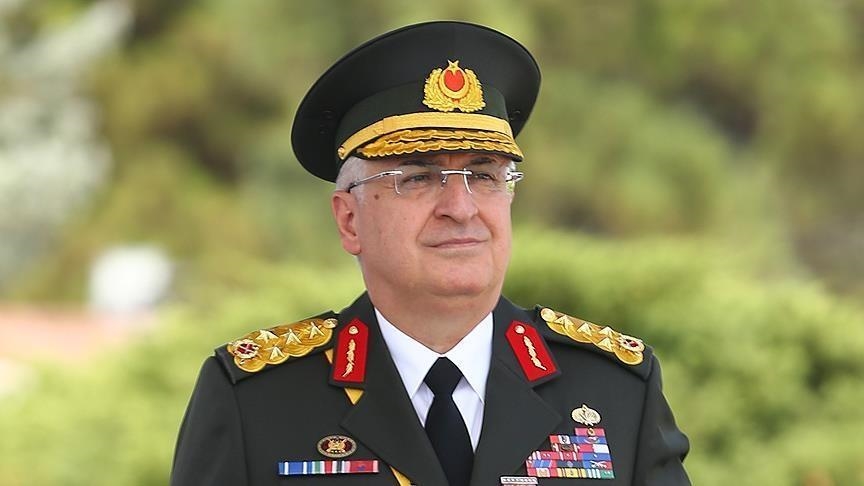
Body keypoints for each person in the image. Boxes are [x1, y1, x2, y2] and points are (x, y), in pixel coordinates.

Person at [171, 21, 690, 486]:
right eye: (419, 177)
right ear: (349, 220)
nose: (461, 208)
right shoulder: (255, 401)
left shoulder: (617, 391)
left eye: (484, 175)